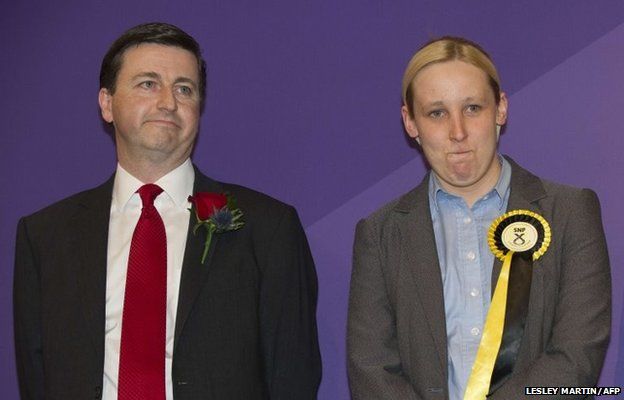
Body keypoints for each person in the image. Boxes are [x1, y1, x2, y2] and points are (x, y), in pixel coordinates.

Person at [14, 22, 321, 400]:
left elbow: (293, 377)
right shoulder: (45, 236)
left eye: (184, 88)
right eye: (148, 83)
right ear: (106, 104)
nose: (168, 102)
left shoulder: (268, 228)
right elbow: (35, 378)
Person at [347, 36, 610, 400]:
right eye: (436, 113)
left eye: (472, 108)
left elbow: (577, 357)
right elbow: (371, 370)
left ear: (500, 109)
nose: (458, 132)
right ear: (410, 122)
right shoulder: (380, 234)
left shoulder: (569, 212)